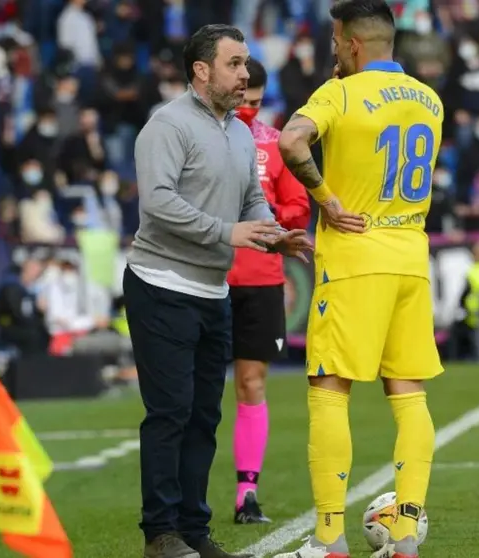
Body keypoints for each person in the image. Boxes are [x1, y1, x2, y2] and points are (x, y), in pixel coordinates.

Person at [126, 24, 312, 558]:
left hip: (211, 291)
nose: (245, 74)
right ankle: (160, 533)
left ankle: (193, 528)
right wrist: (227, 233)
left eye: (246, 63)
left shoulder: (236, 131)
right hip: (161, 285)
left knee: (205, 415)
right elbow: (158, 203)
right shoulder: (166, 126)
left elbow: (253, 197)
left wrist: (274, 236)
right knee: (170, 413)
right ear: (201, 71)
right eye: (234, 64)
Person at [275, 1, 444, 557]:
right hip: (410, 259)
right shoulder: (430, 100)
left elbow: (291, 141)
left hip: (354, 260)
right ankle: (404, 538)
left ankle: (328, 540)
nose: (332, 51)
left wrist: (324, 200)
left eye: (334, 42)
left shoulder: (338, 94)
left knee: (329, 393)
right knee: (410, 395)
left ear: (349, 43)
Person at [228, 57, 311, 525]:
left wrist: (267, 211)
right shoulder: (200, 139)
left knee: (251, 382)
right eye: (241, 98)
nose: (246, 108)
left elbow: (297, 210)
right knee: (196, 394)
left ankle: (247, 494)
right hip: (207, 277)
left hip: (259, 279)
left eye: (254, 102)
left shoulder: (274, 144)